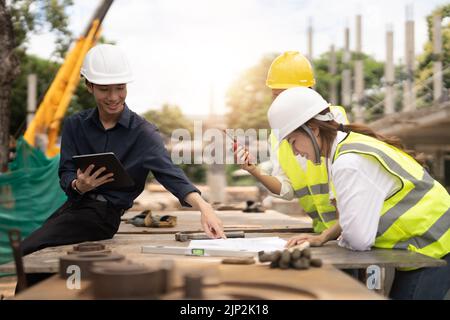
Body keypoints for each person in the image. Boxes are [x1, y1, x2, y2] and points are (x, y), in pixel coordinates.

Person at [20, 44, 225, 256]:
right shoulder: (75, 125)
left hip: (103, 217)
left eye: (120, 88)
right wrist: (78, 185)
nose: (114, 97)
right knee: (30, 255)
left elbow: (171, 174)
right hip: (74, 208)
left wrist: (204, 207)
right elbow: (66, 171)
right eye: (104, 89)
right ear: (89, 86)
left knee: (28, 249)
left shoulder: (143, 133)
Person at [267, 86, 450, 299]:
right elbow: (354, 217)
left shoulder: (348, 163)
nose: (295, 151)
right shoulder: (348, 147)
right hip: (427, 245)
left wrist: (341, 237)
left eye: (293, 142)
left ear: (313, 130)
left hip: (436, 245)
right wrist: (325, 236)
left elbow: (358, 239)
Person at [236, 51, 348, 245]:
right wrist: (254, 170)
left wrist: (338, 233)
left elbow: (342, 179)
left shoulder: (333, 119)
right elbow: (286, 190)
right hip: (321, 235)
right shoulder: (278, 135)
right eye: (275, 96)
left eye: (283, 96)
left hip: (347, 231)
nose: (278, 103)